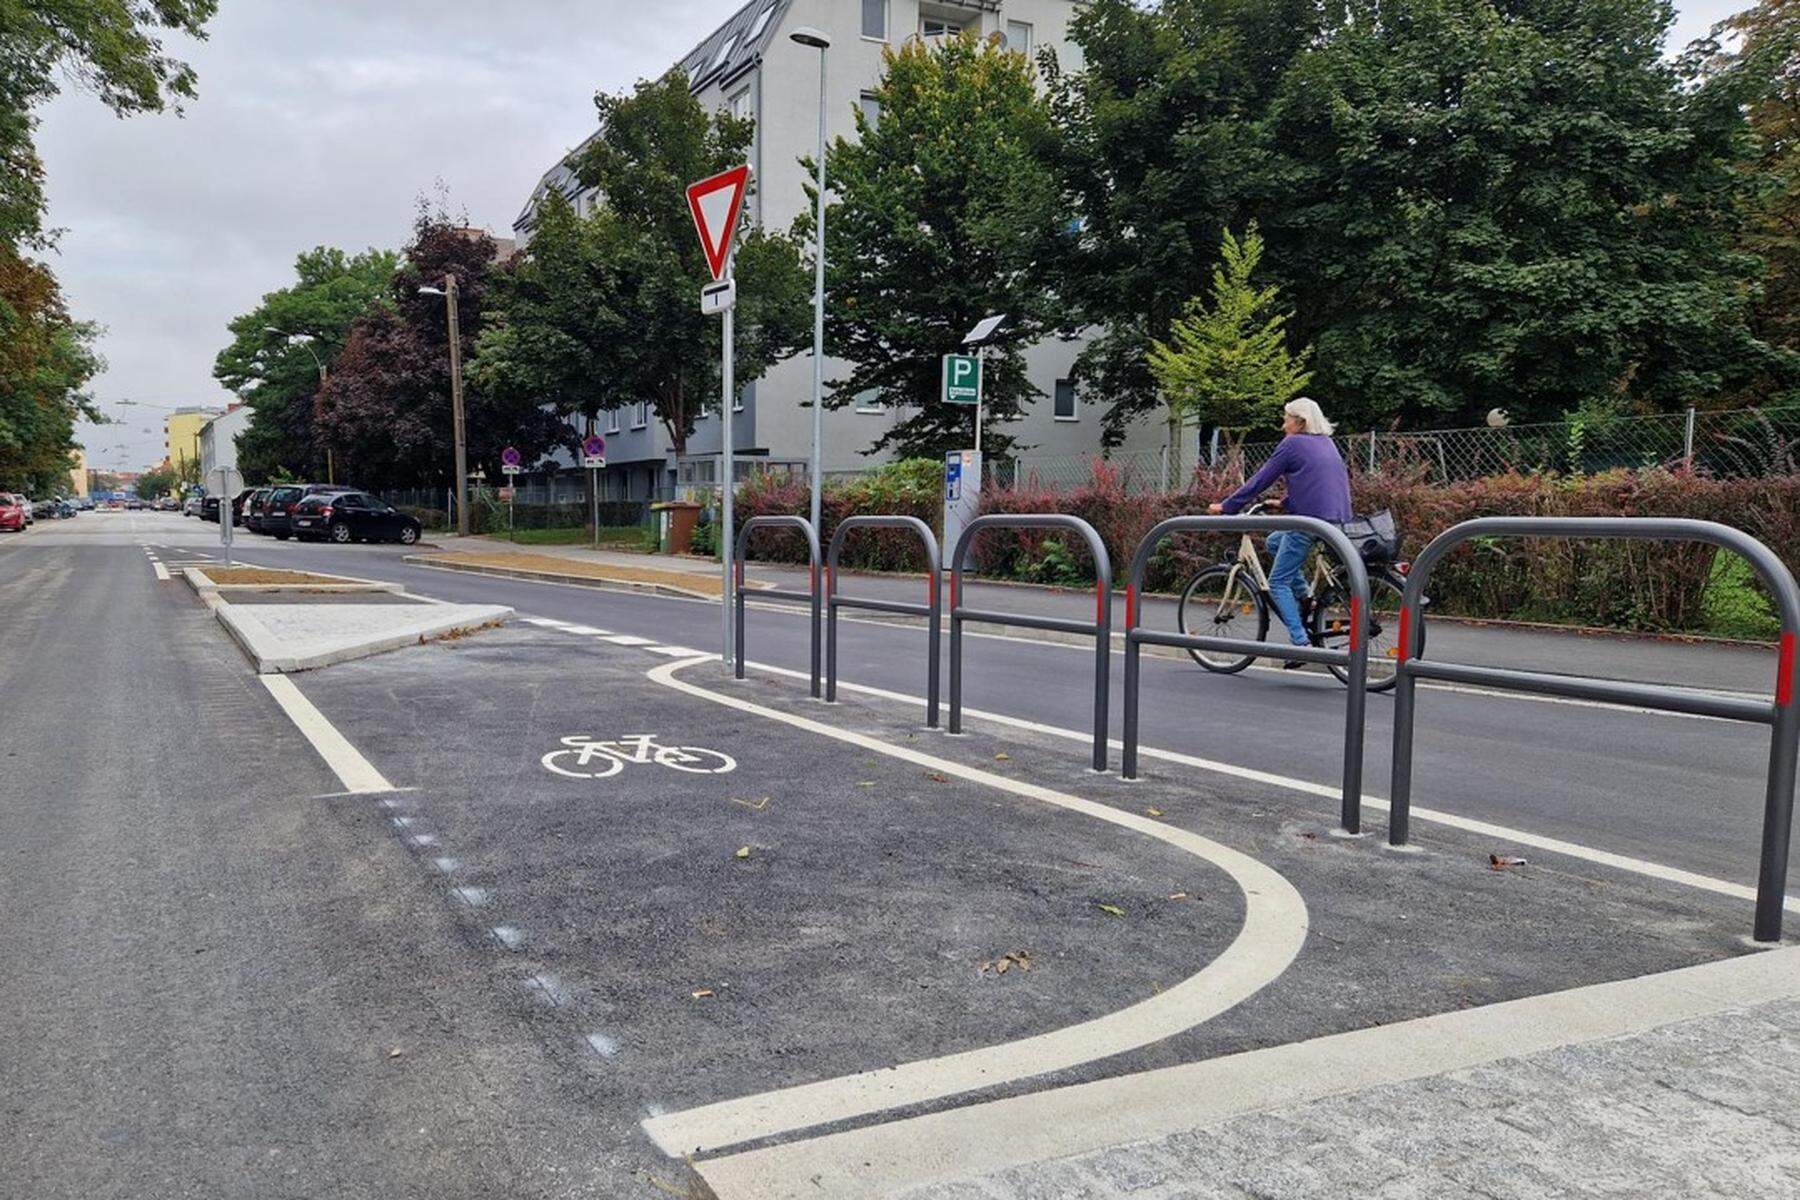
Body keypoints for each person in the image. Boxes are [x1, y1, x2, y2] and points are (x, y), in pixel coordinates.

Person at [1208, 398, 1352, 666]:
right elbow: (1318, 481)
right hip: (1334, 515)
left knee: (1276, 582)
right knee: (1275, 541)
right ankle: (1305, 595)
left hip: (1309, 520)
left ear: (1300, 422)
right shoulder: (1325, 442)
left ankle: (1301, 643)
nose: (1283, 424)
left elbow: (1261, 479)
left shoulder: (1292, 444)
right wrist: (1284, 503)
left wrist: (1228, 506)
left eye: (1286, 419)